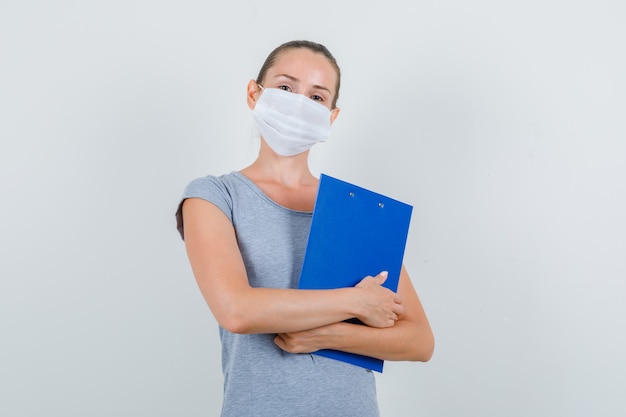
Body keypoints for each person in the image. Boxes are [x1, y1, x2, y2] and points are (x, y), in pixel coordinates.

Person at [175, 40, 434, 417]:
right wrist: (355, 302)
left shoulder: (356, 209)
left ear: (331, 115)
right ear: (254, 93)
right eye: (285, 87)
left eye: (316, 96)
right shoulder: (214, 196)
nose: (299, 103)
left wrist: (328, 335)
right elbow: (236, 310)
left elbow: (419, 340)